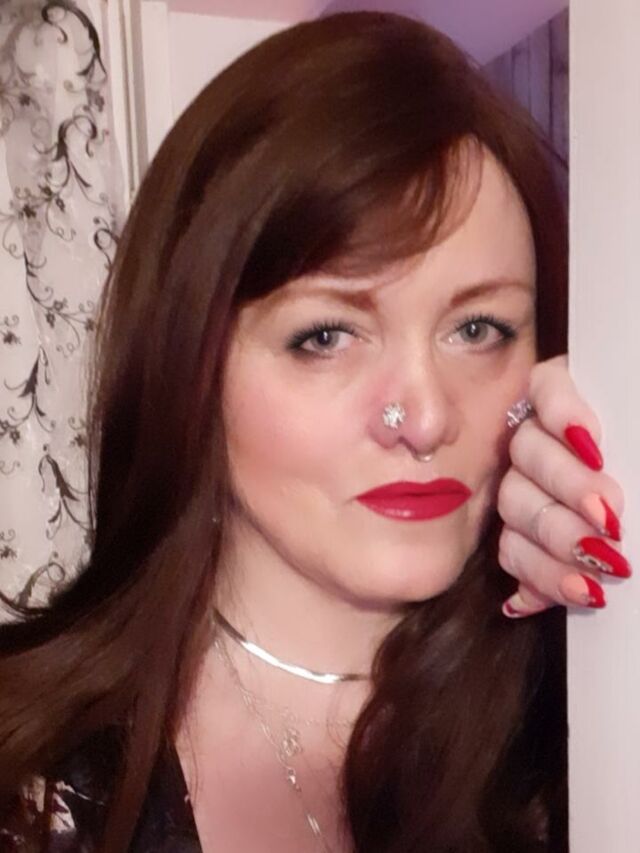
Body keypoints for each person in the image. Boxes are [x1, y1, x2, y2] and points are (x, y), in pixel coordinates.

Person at [0, 11, 628, 853]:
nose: (425, 417)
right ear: (192, 367)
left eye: (478, 329)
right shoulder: (30, 775)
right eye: (327, 335)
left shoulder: (590, 718)